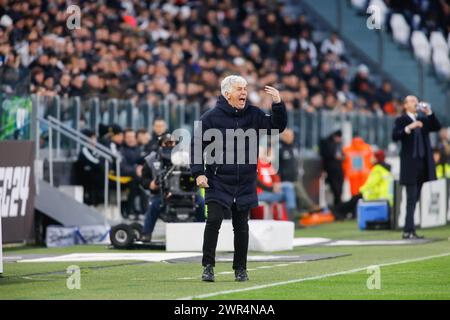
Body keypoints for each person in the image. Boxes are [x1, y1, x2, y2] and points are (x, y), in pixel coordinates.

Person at [190, 75, 287, 282]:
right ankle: (208, 266)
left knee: (242, 226)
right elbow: (196, 147)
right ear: (227, 94)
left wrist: (278, 103)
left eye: (244, 88)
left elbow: (277, 127)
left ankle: (240, 269)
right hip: (217, 180)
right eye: (239, 89)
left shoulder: (253, 114)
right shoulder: (210, 117)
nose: (244, 92)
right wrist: (198, 173)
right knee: (214, 220)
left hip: (245, 181)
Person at [392, 96, 441, 239]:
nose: (415, 103)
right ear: (405, 105)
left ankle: (411, 229)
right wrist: (408, 128)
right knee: (411, 199)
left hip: (423, 165)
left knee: (416, 199)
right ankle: (407, 230)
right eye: (412, 101)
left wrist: (429, 112)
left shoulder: (423, 119)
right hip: (410, 165)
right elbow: (395, 136)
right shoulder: (401, 120)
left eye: (416, 101)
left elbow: (436, 126)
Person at [141, 133, 205, 242]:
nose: (171, 145)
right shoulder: (151, 159)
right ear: (161, 144)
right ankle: (146, 233)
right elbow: (144, 180)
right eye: (168, 143)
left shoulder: (185, 158)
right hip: (162, 194)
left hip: (187, 193)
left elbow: (195, 175)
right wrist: (151, 184)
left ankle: (203, 233)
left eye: (174, 143)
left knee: (201, 203)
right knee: (153, 205)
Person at [332, 150, 393, 220]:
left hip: (376, 196)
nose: (371, 159)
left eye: (373, 157)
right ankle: (344, 212)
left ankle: (337, 211)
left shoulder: (377, 169)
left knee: (354, 199)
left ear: (377, 159)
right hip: (384, 197)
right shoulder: (385, 169)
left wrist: (360, 190)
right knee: (355, 200)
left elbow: (370, 184)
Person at [279, 128, 321, 212]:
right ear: (282, 137)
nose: (291, 137)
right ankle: (309, 206)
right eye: (288, 136)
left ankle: (306, 208)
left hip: (294, 177)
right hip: (283, 180)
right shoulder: (279, 148)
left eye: (292, 135)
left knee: (298, 189)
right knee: (297, 190)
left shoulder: (294, 147)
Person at [256, 147, 297, 220]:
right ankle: (291, 216)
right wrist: (271, 189)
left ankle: (291, 214)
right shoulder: (255, 164)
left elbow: (276, 178)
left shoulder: (267, 164)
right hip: (260, 193)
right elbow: (257, 182)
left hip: (270, 191)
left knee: (288, 187)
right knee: (288, 193)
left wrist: (276, 185)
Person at [74, 129, 103, 206]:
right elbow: (96, 162)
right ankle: (92, 201)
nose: (95, 140)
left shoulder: (95, 150)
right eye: (92, 138)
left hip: (93, 176)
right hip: (84, 178)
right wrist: (101, 164)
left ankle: (98, 200)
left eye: (95, 138)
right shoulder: (84, 150)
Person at [319, 130, 344, 206]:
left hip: (338, 169)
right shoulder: (327, 144)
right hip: (331, 170)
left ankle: (338, 205)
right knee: (335, 189)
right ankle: (336, 205)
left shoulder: (337, 144)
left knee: (338, 189)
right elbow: (326, 156)